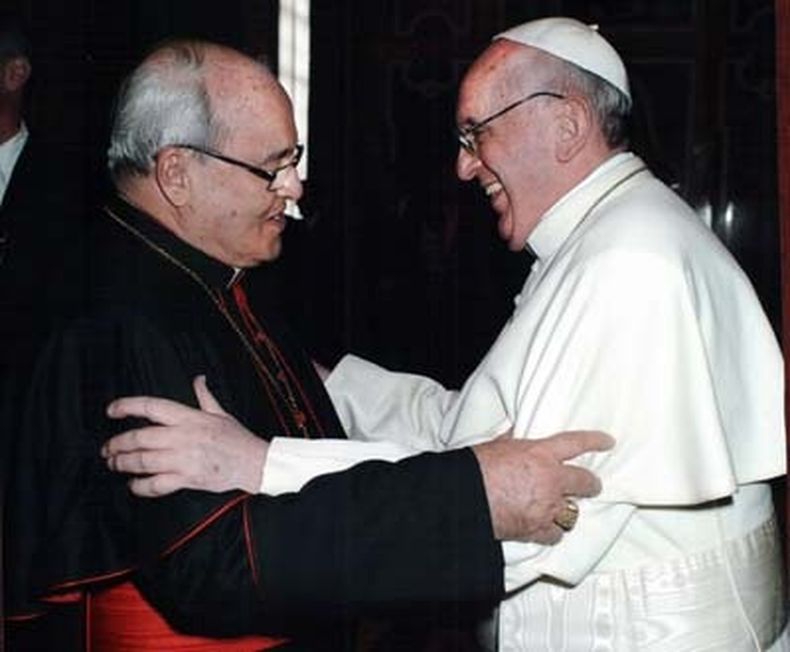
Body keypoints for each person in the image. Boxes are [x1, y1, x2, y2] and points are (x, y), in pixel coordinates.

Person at [105, 18, 788, 651]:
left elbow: (529, 510)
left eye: (475, 134)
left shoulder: (628, 262)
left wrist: (260, 464)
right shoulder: (614, 235)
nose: (464, 167)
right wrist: (328, 384)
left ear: (568, 124)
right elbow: (473, 433)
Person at [2, 38, 613, 651]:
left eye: (292, 159)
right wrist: (471, 504)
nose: (294, 188)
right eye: (273, 166)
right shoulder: (120, 315)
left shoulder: (212, 270)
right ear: (177, 173)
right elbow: (215, 567)